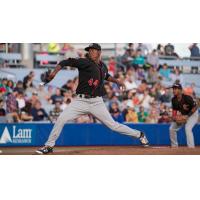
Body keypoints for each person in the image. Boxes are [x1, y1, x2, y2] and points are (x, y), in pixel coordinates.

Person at [36, 43, 149, 154]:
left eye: (93, 50)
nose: (90, 52)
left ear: (99, 52)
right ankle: (49, 145)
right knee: (61, 119)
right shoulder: (84, 62)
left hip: (96, 102)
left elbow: (106, 76)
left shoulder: (102, 66)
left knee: (113, 126)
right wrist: (54, 73)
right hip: (81, 101)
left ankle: (140, 134)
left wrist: (117, 81)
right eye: (89, 50)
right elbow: (64, 62)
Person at [169, 83, 199, 148]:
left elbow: (196, 106)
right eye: (173, 89)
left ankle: (191, 148)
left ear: (180, 90)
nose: (174, 90)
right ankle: (174, 146)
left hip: (193, 114)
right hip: (183, 115)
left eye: (176, 89)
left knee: (187, 128)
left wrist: (188, 116)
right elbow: (174, 110)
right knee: (172, 128)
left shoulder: (187, 98)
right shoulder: (173, 99)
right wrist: (174, 118)